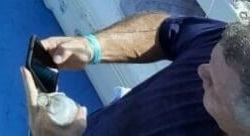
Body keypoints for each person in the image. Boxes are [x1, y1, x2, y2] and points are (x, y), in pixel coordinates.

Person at [21, 12, 250, 134]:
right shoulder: (226, 44)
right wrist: (94, 46)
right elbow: (166, 31)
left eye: (211, 84)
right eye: (209, 58)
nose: (201, 70)